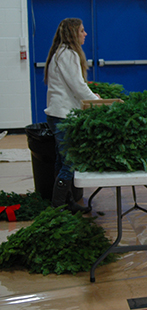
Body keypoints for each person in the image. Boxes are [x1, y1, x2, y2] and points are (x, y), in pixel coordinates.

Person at [44, 18, 100, 214]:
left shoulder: (60, 53)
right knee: (69, 163)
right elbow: (78, 86)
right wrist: (96, 101)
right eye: (82, 31)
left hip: (58, 115)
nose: (85, 34)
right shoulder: (68, 54)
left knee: (62, 162)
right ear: (73, 33)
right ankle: (57, 209)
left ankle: (67, 204)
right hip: (62, 117)